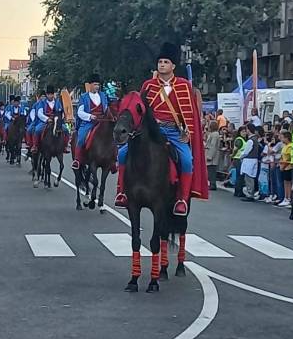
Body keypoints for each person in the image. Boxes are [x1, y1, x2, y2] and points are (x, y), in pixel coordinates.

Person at [114, 42, 209, 215]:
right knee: (122, 153)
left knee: (187, 160)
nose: (162, 65)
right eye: (160, 62)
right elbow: (140, 111)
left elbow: (189, 114)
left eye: (166, 62)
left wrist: (188, 133)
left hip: (173, 131)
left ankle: (181, 199)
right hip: (151, 131)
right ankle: (122, 192)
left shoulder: (184, 85)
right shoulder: (148, 86)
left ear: (173, 66)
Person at [73, 74, 108, 170]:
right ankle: (77, 160)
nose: (97, 87)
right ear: (90, 85)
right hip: (89, 122)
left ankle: (113, 160)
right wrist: (90, 116)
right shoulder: (84, 97)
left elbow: (106, 108)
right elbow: (80, 112)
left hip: (102, 121)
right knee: (81, 137)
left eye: (98, 85)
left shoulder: (103, 96)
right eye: (95, 84)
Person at [31, 85, 69, 153]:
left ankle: (65, 146)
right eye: (48, 94)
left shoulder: (58, 102)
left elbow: (61, 112)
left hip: (56, 122)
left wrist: (59, 119)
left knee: (66, 130)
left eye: (51, 94)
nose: (50, 96)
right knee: (37, 130)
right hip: (45, 122)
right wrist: (47, 119)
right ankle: (35, 146)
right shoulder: (42, 102)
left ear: (53, 94)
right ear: (46, 95)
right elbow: (40, 113)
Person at [239, 124, 261, 201]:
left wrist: (241, 156)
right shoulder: (255, 139)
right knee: (251, 177)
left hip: (249, 160)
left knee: (248, 177)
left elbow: (246, 152)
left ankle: (250, 194)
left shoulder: (250, 140)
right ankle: (250, 192)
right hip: (253, 160)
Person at [205, 120, 221, 191]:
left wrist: (209, 156)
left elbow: (213, 146)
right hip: (211, 153)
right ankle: (212, 183)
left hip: (212, 155)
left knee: (211, 170)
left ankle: (212, 184)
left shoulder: (214, 134)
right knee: (210, 170)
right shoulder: (213, 134)